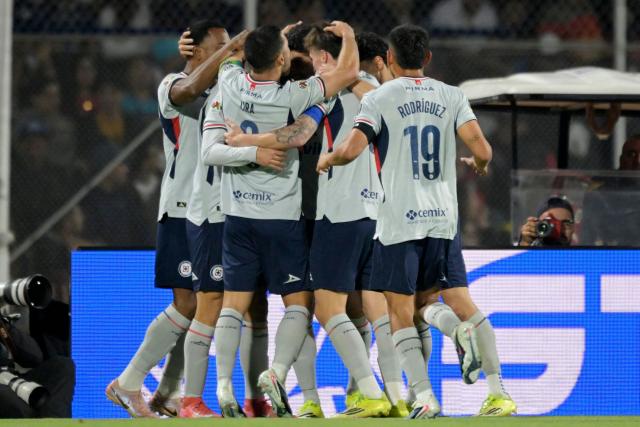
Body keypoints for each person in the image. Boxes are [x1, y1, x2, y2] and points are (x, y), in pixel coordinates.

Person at [316, 24, 516, 417]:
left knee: (399, 313)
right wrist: (478, 163)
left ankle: (423, 397)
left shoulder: (380, 97)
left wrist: (329, 159)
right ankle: (498, 392)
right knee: (457, 301)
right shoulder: (452, 94)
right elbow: (483, 148)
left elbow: (352, 149)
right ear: (427, 58)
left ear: (389, 59)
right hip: (443, 219)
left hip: (398, 221)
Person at [224, 27, 399, 419]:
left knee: (317, 306)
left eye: (312, 54)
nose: (305, 61)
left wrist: (244, 144)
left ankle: (330, 394)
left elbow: (297, 134)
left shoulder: (325, 92)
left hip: (327, 212)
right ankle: (394, 392)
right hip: (372, 212)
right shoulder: (374, 88)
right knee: (366, 308)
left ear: (325, 59)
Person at [105, 19, 245, 418]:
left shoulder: (224, 86)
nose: (230, 52)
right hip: (183, 209)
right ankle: (128, 383)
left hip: (209, 211)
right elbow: (191, 91)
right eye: (220, 45)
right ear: (196, 51)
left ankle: (167, 393)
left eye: (230, 46)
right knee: (187, 305)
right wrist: (229, 51)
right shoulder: (172, 85)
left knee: (200, 309)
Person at [0, 313, 75, 418]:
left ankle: (53, 420)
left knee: (63, 366)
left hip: (12, 379)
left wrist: (5, 326)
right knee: (10, 399)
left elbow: (34, 357)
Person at [580, 135, 640, 246]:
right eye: (631, 155)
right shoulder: (602, 189)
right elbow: (590, 233)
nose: (637, 161)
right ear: (621, 160)